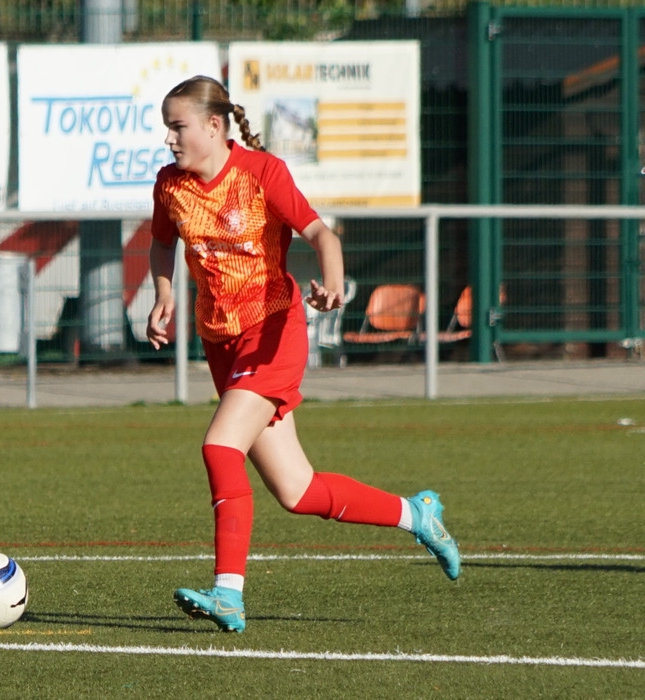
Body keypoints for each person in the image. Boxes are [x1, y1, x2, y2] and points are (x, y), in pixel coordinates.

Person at [145, 75, 460, 634]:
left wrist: (333, 285)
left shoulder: (261, 173)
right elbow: (161, 242)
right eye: (167, 128)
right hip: (221, 342)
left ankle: (228, 594)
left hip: (272, 331)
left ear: (214, 126)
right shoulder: (170, 185)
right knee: (297, 490)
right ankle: (417, 514)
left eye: (178, 126)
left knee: (219, 446)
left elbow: (322, 235)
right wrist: (163, 293)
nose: (169, 139)